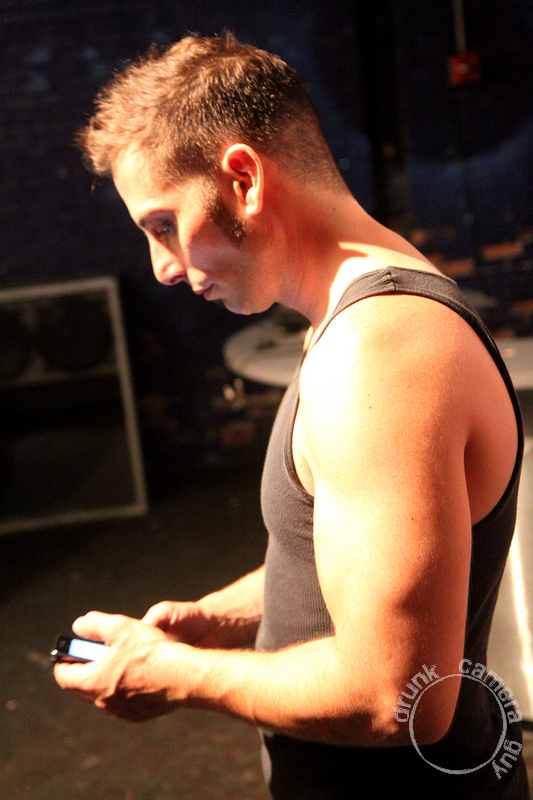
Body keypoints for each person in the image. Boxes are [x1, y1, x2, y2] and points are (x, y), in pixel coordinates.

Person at [54, 33, 528, 799]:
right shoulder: (360, 317)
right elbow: (348, 554)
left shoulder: (377, 350)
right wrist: (225, 616)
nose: (163, 268)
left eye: (164, 224)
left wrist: (175, 674)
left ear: (242, 178)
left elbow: (394, 696)